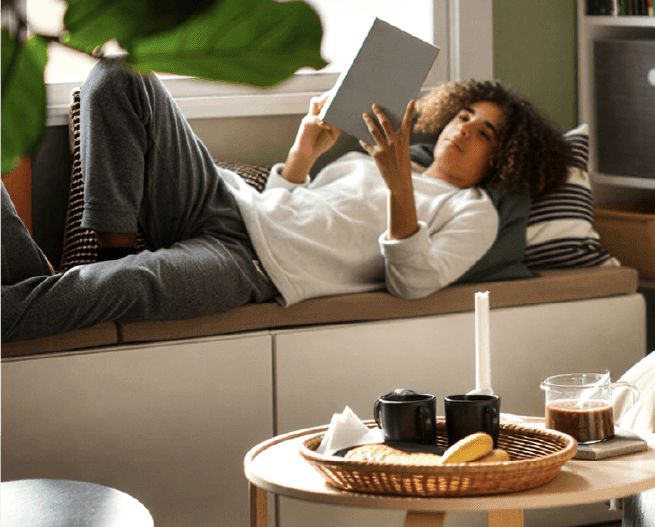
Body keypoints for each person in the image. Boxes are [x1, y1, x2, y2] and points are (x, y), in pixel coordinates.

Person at [1, 57, 568, 341]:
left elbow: (414, 282)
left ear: (504, 158)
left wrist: (400, 185)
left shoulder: (474, 213)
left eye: (486, 132)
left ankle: (108, 275)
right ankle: (112, 252)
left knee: (117, 289)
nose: (465, 130)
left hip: (249, 267)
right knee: (121, 74)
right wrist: (301, 155)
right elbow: (287, 207)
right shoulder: (365, 158)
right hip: (228, 201)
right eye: (465, 115)